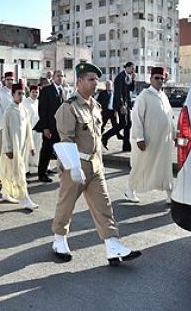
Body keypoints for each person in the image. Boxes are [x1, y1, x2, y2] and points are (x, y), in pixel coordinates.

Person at [51, 61, 142, 265]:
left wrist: (99, 163)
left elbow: (97, 140)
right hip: (75, 164)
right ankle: (59, 239)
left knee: (104, 206)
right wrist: (73, 167)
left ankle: (112, 245)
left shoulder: (96, 106)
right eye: (91, 79)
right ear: (80, 81)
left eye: (96, 79)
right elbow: (65, 139)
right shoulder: (69, 107)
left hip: (95, 165)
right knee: (66, 205)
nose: (95, 83)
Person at [126, 67, 176, 203]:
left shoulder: (163, 95)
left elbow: (169, 116)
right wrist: (140, 138)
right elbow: (136, 118)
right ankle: (130, 190)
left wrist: (175, 134)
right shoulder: (144, 96)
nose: (160, 80)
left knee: (165, 167)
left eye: (162, 78)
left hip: (164, 141)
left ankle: (169, 192)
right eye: (157, 78)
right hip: (149, 140)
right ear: (151, 79)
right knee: (141, 166)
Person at [0, 82, 37, 210]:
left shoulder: (24, 109)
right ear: (13, 94)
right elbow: (6, 132)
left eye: (23, 94)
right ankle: (25, 199)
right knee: (18, 173)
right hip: (11, 149)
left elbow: (28, 129)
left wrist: (31, 146)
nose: (21, 96)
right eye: (19, 94)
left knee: (10, 172)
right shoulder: (8, 111)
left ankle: (5, 193)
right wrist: (8, 149)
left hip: (22, 148)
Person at [34, 70, 65, 183]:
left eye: (62, 76)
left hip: (60, 127)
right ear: (53, 78)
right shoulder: (46, 90)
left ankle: (57, 170)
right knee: (46, 150)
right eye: (58, 76)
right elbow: (42, 111)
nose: (60, 78)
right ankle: (42, 174)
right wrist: (45, 128)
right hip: (49, 127)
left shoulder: (63, 90)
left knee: (58, 150)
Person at [110, 62, 136, 152]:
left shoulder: (128, 77)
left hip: (127, 104)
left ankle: (126, 146)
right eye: (132, 68)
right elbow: (118, 93)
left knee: (128, 124)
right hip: (121, 104)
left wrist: (133, 80)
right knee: (123, 124)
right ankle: (105, 136)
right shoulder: (120, 77)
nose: (133, 70)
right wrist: (121, 105)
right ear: (127, 68)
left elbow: (131, 89)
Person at [22, 85, 42, 174]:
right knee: (27, 150)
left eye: (36, 92)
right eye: (33, 92)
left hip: (38, 129)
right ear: (30, 92)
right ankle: (26, 169)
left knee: (37, 148)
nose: (35, 94)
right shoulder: (25, 102)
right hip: (29, 129)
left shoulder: (39, 102)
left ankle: (36, 164)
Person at [98, 80, 122, 149]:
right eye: (107, 85)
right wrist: (100, 110)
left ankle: (118, 135)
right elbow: (99, 102)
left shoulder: (115, 93)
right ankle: (99, 135)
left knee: (115, 124)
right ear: (105, 86)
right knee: (103, 124)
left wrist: (116, 111)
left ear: (112, 85)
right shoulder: (102, 93)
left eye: (109, 85)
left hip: (112, 111)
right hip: (105, 111)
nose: (108, 86)